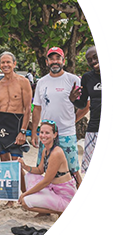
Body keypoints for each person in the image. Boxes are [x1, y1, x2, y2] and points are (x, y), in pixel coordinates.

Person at [31, 47, 83, 188]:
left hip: (67, 133)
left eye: (58, 58)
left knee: (74, 171)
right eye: (52, 59)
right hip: (46, 135)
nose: (55, 61)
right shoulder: (41, 82)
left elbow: (85, 105)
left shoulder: (73, 80)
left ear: (63, 61)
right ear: (47, 62)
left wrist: (72, 121)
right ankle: (47, 209)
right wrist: (35, 132)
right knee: (45, 170)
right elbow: (37, 108)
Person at [18, 120, 77, 216]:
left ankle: (64, 211)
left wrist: (25, 194)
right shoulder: (46, 150)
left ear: (55, 135)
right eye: (41, 132)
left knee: (25, 202)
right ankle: (48, 209)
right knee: (29, 176)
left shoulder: (56, 153)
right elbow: (40, 170)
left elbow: (46, 180)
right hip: (53, 189)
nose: (43, 135)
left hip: (63, 194)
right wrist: (24, 166)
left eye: (47, 133)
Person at [0, 52, 32, 161]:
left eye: (8, 62)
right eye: (3, 62)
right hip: (1, 123)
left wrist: (23, 131)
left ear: (14, 64)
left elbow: (27, 109)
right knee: (5, 164)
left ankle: (24, 179)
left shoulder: (23, 82)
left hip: (16, 123)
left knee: (17, 164)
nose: (5, 65)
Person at [69, 46, 101, 173]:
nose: (93, 61)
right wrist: (73, 99)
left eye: (95, 57)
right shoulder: (87, 77)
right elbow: (83, 104)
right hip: (94, 128)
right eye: (89, 59)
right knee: (92, 170)